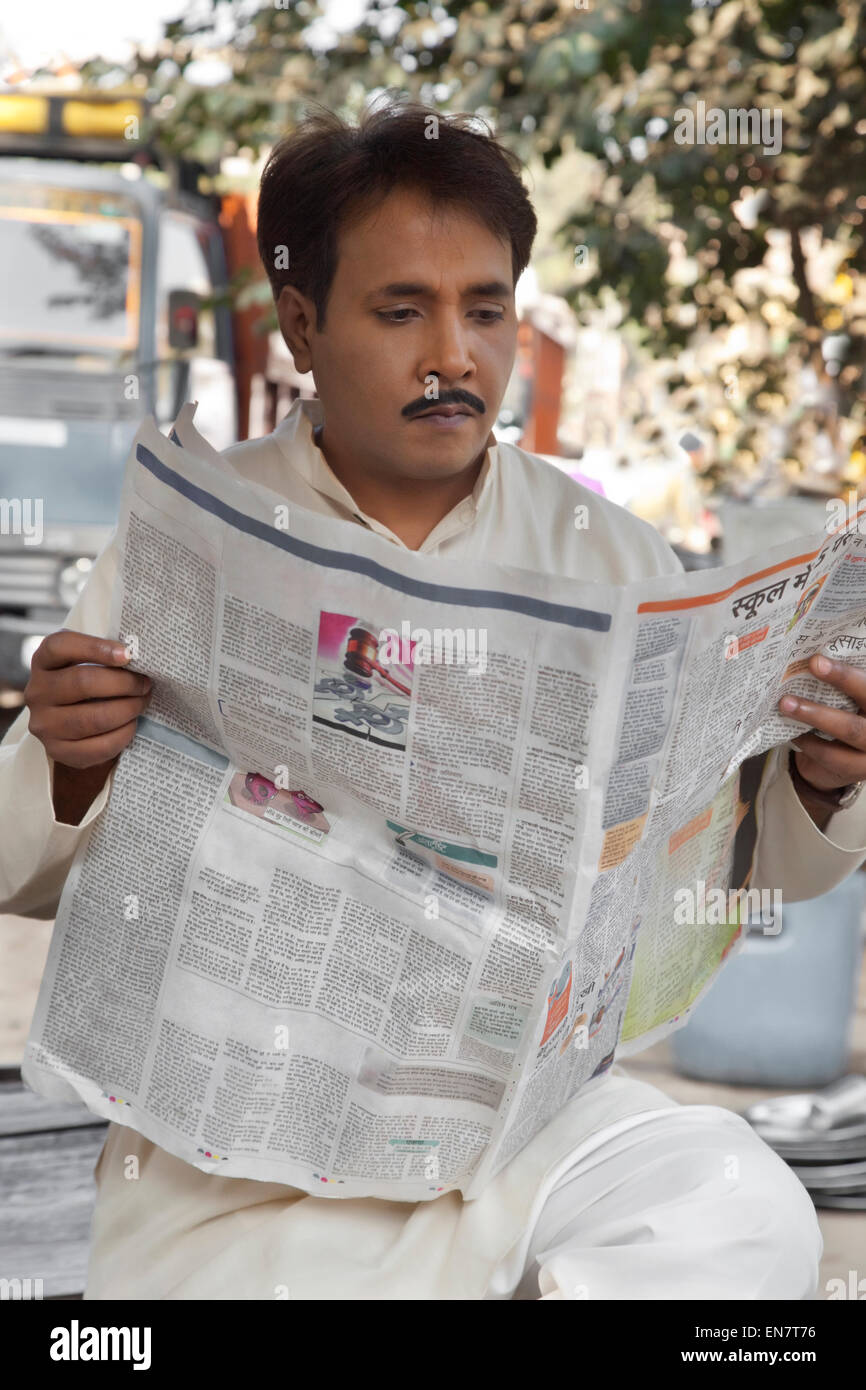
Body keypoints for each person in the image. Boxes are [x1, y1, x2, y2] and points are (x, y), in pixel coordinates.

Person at [4, 97, 866, 1302]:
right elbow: (22, 868)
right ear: (302, 322)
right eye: (401, 310)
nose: (452, 356)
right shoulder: (187, 539)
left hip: (514, 1137)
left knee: (746, 1215)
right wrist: (70, 757)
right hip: (242, 1161)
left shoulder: (609, 556)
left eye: (484, 310)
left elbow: (728, 860)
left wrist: (817, 781)